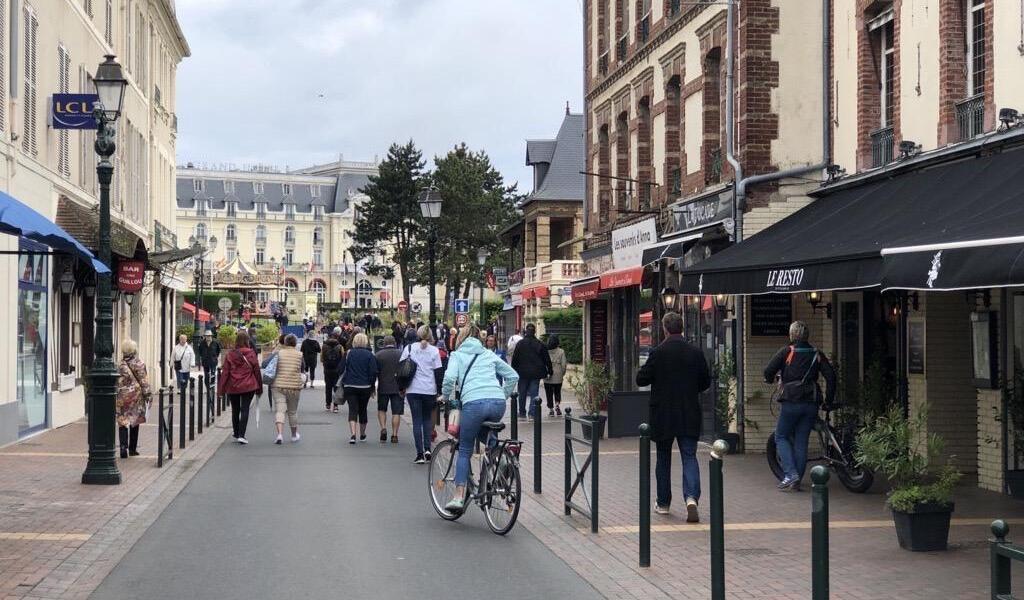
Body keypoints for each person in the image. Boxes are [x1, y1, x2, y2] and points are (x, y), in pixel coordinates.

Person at [636, 312, 710, 522]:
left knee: (663, 458)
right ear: (682, 328)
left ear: (665, 329)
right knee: (689, 456)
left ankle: (663, 503)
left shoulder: (658, 352)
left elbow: (641, 379)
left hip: (663, 414)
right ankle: (692, 498)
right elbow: (705, 382)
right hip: (689, 412)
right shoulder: (695, 352)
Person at [440, 324, 519, 513]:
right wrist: (502, 395)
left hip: (474, 404)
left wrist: (446, 397)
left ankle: (459, 497)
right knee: (488, 439)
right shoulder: (488, 354)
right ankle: (503, 462)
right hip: (497, 403)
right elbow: (513, 376)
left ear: (461, 337)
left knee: (465, 449)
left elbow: (450, 379)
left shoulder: (457, 355)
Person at [764, 320, 837, 492]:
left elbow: (768, 371)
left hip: (791, 402)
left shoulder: (787, 351)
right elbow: (831, 377)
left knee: (781, 436)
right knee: (801, 441)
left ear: (792, 335)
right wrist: (828, 400)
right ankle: (796, 480)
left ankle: (790, 474)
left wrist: (769, 379)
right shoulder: (816, 353)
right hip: (811, 403)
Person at [400, 325, 443, 464]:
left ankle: (419, 454)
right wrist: (439, 391)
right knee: (427, 420)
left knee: (416, 421)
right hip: (429, 390)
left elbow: (402, 369)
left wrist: (402, 387)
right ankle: (428, 449)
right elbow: (438, 373)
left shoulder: (409, 349)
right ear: (430, 335)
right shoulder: (434, 351)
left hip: (413, 389)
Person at [218, 329, 262, 444]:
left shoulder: (230, 354)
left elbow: (225, 373)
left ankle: (236, 432)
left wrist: (221, 390)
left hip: (233, 386)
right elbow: (257, 371)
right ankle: (242, 435)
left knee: (235, 410)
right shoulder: (251, 353)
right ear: (247, 341)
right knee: (245, 409)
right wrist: (259, 388)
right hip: (248, 385)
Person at [116, 339, 152, 458]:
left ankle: (122, 448)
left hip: (122, 396)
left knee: (122, 421)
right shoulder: (139, 363)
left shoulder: (119, 364)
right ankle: (132, 448)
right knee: (134, 420)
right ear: (134, 350)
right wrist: (148, 395)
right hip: (135, 396)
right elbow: (143, 381)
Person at [340, 333, 378, 444]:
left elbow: (340, 368)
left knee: (352, 409)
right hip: (365, 386)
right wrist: (372, 385)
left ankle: (353, 434)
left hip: (350, 385)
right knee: (363, 409)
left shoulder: (348, 353)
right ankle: (362, 434)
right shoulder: (369, 355)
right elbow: (373, 372)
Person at [510, 323, 552, 419]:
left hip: (522, 372)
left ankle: (521, 413)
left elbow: (515, 358)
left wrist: (513, 371)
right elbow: (547, 359)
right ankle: (532, 413)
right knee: (534, 394)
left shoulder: (520, 344)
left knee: (522, 393)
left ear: (526, 331)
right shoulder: (540, 344)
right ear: (535, 332)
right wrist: (550, 370)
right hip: (535, 373)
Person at [271, 334, 304, 444]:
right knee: (292, 412)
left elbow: (267, 364)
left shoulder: (278, 353)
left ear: (285, 343)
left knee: (280, 410)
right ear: (295, 343)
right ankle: (294, 435)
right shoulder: (300, 355)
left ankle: (279, 434)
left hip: (278, 385)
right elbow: (302, 369)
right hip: (294, 386)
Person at [374, 335, 404, 443]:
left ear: (384, 343)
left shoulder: (378, 355)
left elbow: (375, 372)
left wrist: (373, 385)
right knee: (396, 412)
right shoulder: (401, 354)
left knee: (382, 409)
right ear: (395, 342)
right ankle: (395, 434)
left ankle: (383, 428)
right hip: (398, 387)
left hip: (383, 386)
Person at [321, 329, 345, 412]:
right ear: (337, 337)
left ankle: (328, 404)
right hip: (336, 370)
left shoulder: (324, 346)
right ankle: (335, 406)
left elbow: (321, 358)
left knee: (328, 387)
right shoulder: (340, 346)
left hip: (327, 369)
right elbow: (343, 358)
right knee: (336, 387)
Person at [544, 334, 567, 417]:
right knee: (557, 391)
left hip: (548, 375)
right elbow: (564, 365)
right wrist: (562, 373)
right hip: (558, 374)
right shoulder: (561, 351)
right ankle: (557, 405)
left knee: (548, 393)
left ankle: (551, 410)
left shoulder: (545, 350)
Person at [172, 334, 196, 401]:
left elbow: (192, 356)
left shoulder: (189, 347)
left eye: (184, 339)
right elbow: (173, 355)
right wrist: (171, 363)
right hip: (178, 365)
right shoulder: (176, 347)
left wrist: (192, 363)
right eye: (182, 339)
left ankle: (184, 388)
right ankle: (179, 389)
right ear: (180, 340)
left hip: (186, 366)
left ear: (186, 340)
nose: (183, 340)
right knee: (179, 377)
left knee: (186, 378)